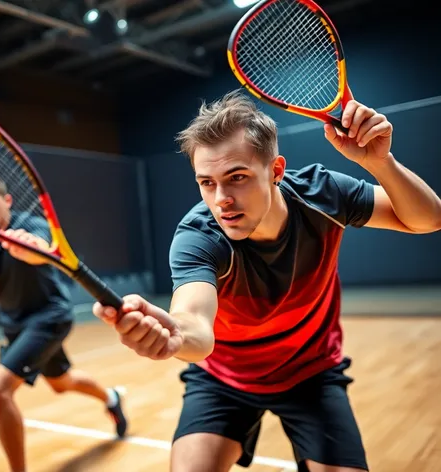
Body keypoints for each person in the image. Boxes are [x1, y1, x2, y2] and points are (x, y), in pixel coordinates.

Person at [92, 90, 441, 472]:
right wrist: (174, 334)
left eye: (236, 177)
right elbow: (195, 325)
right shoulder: (198, 237)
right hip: (225, 382)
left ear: (276, 171)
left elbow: (428, 219)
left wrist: (382, 163)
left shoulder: (323, 195)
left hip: (311, 373)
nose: (221, 198)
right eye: (206, 183)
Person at [0, 172, 127, 472]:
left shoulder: (30, 226)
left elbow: (44, 250)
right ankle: (111, 398)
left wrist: (31, 249)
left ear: (6, 201)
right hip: (17, 326)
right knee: (62, 383)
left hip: (49, 317)